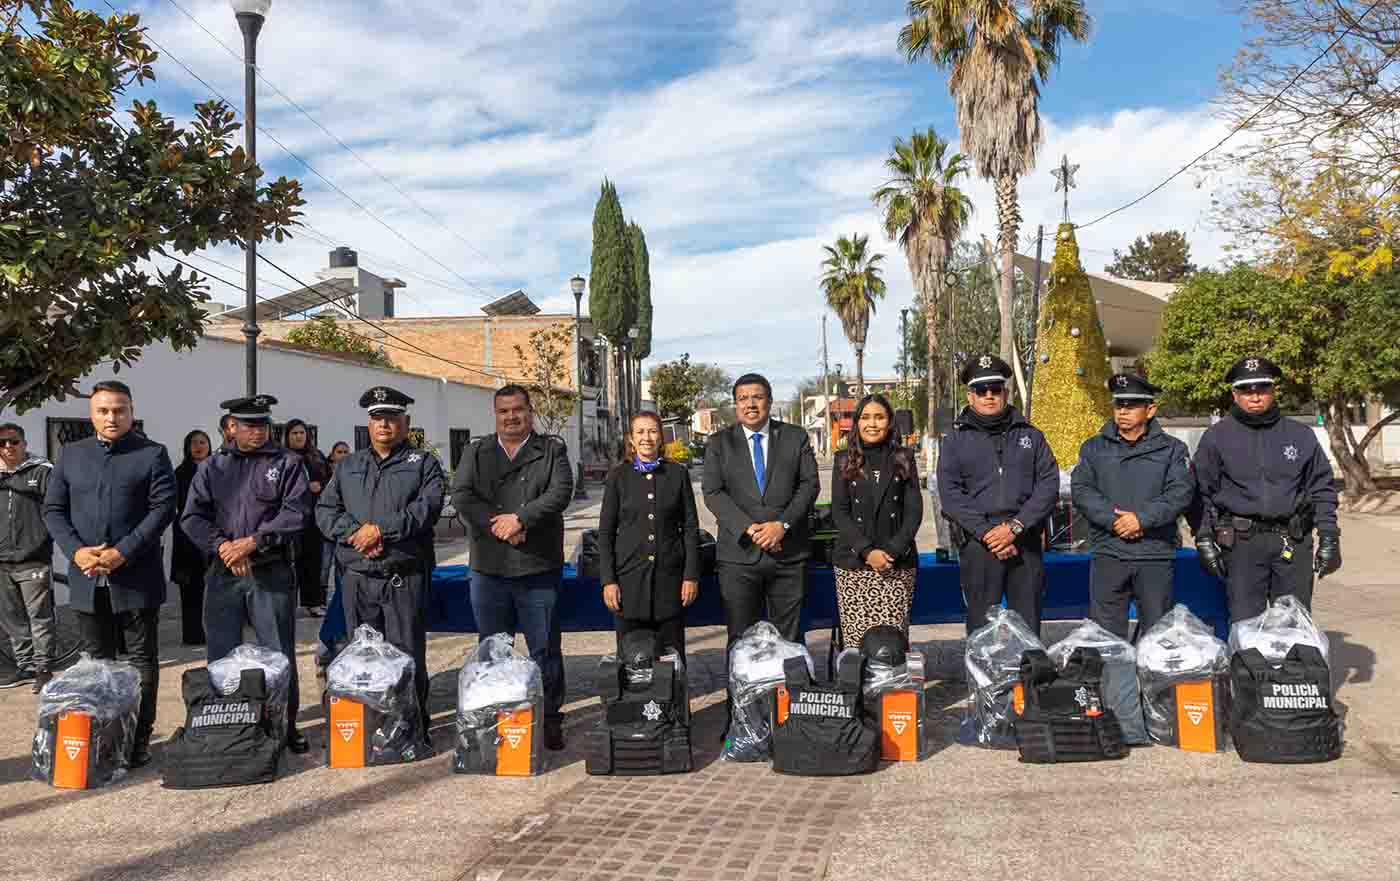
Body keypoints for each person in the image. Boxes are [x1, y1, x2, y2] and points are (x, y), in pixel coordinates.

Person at [43, 381, 176, 766]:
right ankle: (103, 736)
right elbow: (53, 509)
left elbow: (163, 508)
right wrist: (76, 551)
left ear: (131, 411)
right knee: (96, 662)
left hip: (135, 574)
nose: (111, 417)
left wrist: (123, 552)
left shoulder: (152, 454)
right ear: (92, 414)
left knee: (140, 662)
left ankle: (138, 739)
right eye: (103, 410)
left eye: (119, 410)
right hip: (87, 575)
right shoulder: (71, 454)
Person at [181, 394, 313, 754]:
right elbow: (192, 517)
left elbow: (297, 514)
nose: (257, 431)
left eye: (262, 424)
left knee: (278, 652)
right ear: (231, 427)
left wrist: (253, 543)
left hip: (269, 570)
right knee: (222, 653)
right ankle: (227, 726)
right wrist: (224, 547)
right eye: (248, 425)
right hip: (223, 571)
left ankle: (284, 727)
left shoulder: (286, 463)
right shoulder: (212, 467)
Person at [450, 385, 574, 749]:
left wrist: (521, 519)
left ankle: (549, 718)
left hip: (538, 566)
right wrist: (500, 526)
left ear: (529, 412)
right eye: (503, 411)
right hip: (490, 568)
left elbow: (560, 492)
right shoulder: (477, 451)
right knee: (492, 649)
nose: (511, 417)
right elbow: (462, 495)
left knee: (545, 649)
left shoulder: (551, 450)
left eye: (517, 409)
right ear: (495, 414)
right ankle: (492, 715)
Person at [317, 387, 444, 734]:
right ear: (368, 424)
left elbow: (426, 510)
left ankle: (411, 728)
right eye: (377, 418)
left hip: (403, 576)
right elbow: (326, 510)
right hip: (358, 575)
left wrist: (380, 531)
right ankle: (369, 724)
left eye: (391, 417)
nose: (384, 424)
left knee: (406, 655)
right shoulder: (349, 465)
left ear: (405, 422)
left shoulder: (424, 464)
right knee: (361, 655)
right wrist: (356, 534)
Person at [1193, 357, 1340, 620]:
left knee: (1294, 623)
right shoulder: (1217, 437)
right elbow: (1200, 492)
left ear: (1273, 391)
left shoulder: (1300, 435)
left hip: (1293, 542)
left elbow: (1322, 487)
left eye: (1262, 389)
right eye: (1246, 390)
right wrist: (1203, 536)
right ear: (1234, 394)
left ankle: (1296, 662)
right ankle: (1248, 663)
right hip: (1241, 545)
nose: (1255, 397)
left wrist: (1329, 536)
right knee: (1246, 625)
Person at [937, 355, 1058, 636]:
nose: (989, 396)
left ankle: (1027, 680)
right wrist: (990, 534)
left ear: (1005, 393)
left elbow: (1049, 484)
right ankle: (983, 681)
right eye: (982, 391)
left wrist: (1015, 527)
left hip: (1024, 542)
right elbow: (951, 494)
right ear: (971, 396)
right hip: (980, 546)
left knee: (1027, 628)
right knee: (981, 629)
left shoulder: (1032, 436)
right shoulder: (955, 441)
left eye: (995, 389)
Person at [1071, 374, 1195, 641]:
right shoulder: (1093, 448)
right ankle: (1116, 684)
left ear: (1150, 410)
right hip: (1109, 553)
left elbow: (1180, 492)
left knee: (1158, 637)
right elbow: (1082, 491)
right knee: (1107, 638)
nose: (1123, 412)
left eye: (1132, 405)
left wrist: (1141, 519)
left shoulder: (1173, 450)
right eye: (1119, 405)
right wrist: (1114, 521)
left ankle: (1154, 685)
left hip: (1154, 554)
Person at [702, 373, 819, 647]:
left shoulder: (795, 437)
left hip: (788, 555)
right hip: (739, 556)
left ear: (769, 401)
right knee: (741, 638)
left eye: (757, 397)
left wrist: (782, 525)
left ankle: (787, 689)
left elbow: (809, 485)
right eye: (743, 398)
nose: (750, 404)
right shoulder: (719, 444)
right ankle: (742, 690)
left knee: (789, 639)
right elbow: (713, 492)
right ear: (735, 404)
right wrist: (750, 528)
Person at [598, 412, 700, 659]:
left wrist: (690, 576)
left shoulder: (677, 474)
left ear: (661, 436)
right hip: (629, 581)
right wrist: (608, 581)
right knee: (632, 657)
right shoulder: (617, 476)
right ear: (631, 439)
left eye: (652, 431)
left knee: (672, 655)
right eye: (640, 432)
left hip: (669, 581)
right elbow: (606, 532)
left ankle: (674, 698)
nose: (647, 437)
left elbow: (689, 528)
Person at [829, 394, 923, 648]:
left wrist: (891, 551)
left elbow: (914, 511)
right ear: (857, 422)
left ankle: (893, 688)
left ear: (890, 422)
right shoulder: (843, 460)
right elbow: (840, 511)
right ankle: (858, 687)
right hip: (854, 564)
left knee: (893, 643)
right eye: (866, 417)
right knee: (857, 643)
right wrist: (867, 551)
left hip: (896, 564)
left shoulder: (904, 458)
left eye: (879, 417)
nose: (872, 424)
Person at [0, 423, 56, 692]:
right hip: (2, 561)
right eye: (2, 443)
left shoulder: (41, 471)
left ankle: (43, 668)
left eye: (13, 442)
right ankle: (24, 667)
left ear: (23, 443)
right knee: (12, 618)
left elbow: (56, 509)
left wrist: (44, 541)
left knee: (40, 617)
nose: (8, 447)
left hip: (33, 557)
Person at [284, 418, 330, 616]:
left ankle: (314, 602)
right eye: (294, 433)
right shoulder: (282, 457)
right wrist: (305, 488)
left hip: (313, 518)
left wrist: (320, 486)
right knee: (290, 563)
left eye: (302, 433)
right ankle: (287, 604)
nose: (298, 436)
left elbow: (329, 480)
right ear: (287, 436)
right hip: (289, 518)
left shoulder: (316, 456)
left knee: (314, 561)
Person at [171, 430, 214, 646]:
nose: (198, 446)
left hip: (215, 534)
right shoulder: (180, 473)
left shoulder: (218, 469)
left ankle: (216, 631)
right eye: (194, 443)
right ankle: (193, 634)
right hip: (187, 537)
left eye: (203, 442)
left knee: (216, 587)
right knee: (190, 589)